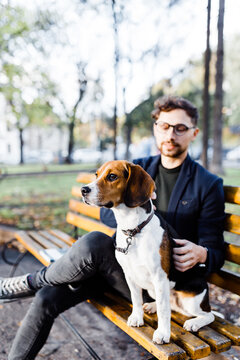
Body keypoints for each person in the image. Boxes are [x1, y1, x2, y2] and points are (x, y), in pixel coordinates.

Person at [0, 95, 225, 360]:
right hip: (122, 267)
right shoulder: (138, 167)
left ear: (194, 132)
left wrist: (203, 254)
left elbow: (216, 251)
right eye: (164, 126)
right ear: (155, 127)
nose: (171, 134)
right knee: (48, 297)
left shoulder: (207, 184)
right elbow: (109, 215)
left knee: (94, 242)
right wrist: (130, 211)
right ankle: (36, 289)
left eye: (180, 128)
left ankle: (31, 281)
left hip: (165, 280)